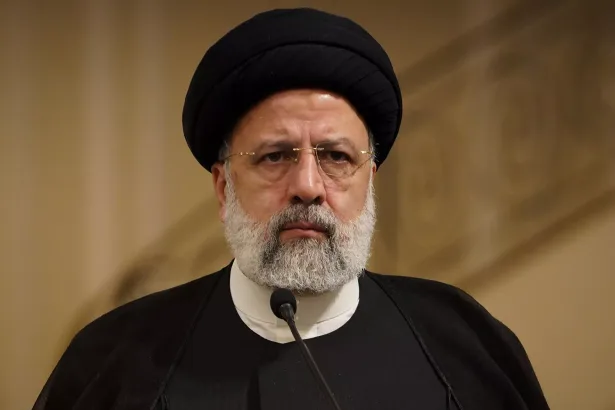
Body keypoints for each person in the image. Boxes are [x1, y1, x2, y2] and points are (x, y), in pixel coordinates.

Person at [33, 8, 550, 410]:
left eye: (336, 157)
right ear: (224, 187)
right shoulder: (116, 363)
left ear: (370, 181)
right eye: (275, 156)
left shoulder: (465, 346)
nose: (307, 186)